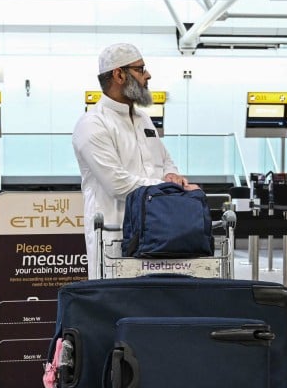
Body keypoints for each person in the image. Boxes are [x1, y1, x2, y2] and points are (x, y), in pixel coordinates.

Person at [72, 43, 197, 271]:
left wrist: (172, 174)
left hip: (157, 232)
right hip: (115, 235)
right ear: (119, 74)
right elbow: (117, 185)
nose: (148, 75)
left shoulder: (143, 119)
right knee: (116, 304)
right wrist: (169, 188)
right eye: (140, 69)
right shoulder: (93, 124)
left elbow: (165, 158)